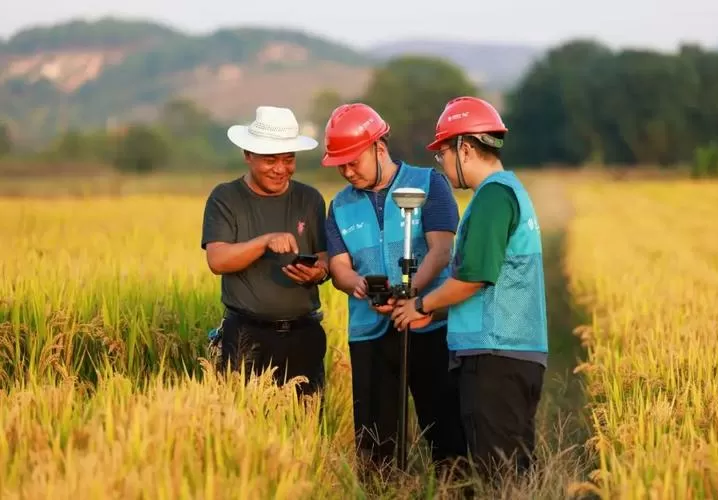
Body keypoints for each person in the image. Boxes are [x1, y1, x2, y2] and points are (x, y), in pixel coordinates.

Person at [391, 96, 549, 481]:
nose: (441, 165)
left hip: (496, 353)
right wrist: (424, 306)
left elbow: (472, 279)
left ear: (465, 147)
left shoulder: (493, 197)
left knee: (499, 476)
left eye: (442, 153)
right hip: (509, 350)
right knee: (512, 472)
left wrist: (421, 305)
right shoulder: (506, 192)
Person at [320, 103, 467, 471]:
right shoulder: (339, 205)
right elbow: (339, 267)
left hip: (429, 322)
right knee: (375, 440)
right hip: (370, 331)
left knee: (446, 426)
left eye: (353, 161)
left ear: (379, 147)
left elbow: (441, 249)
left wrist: (411, 294)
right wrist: (356, 284)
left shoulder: (429, 183)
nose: (346, 171)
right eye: (340, 164)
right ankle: (383, 490)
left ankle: (454, 490)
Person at [201, 105, 330, 400]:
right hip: (246, 334)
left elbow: (325, 258)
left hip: (304, 333)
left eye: (288, 159)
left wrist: (319, 271)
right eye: (270, 160)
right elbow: (217, 260)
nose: (281, 169)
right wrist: (265, 241)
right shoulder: (226, 198)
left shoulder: (309, 199)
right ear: (248, 155)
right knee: (245, 425)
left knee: (306, 425)